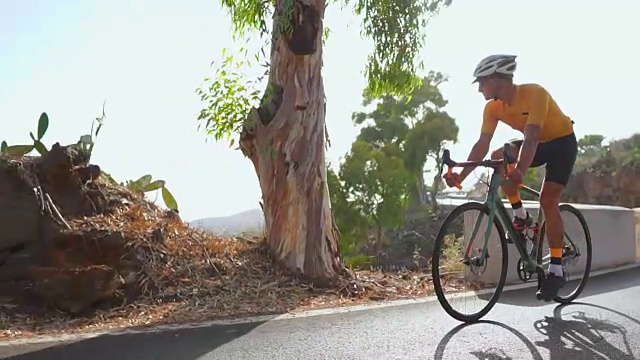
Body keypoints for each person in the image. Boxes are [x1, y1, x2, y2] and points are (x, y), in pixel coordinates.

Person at [444, 54, 578, 301]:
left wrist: (520, 172)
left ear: (496, 79)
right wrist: (460, 175)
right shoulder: (493, 107)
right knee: (498, 156)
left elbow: (532, 137)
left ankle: (557, 269)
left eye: (481, 82)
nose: (479, 89)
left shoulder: (535, 93)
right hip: (535, 143)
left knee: (548, 201)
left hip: (561, 144)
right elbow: (482, 145)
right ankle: (520, 217)